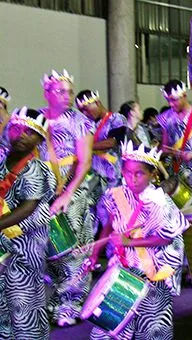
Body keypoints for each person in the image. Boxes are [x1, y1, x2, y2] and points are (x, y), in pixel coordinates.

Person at [86, 140, 189, 339]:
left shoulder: (159, 202)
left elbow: (164, 239)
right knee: (107, 330)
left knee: (152, 331)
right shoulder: (115, 195)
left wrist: (129, 242)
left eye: (139, 173)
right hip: (123, 271)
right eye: (127, 172)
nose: (132, 179)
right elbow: (109, 225)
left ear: (153, 174)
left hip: (153, 272)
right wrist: (94, 253)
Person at [39, 69, 96, 327]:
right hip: (41, 193)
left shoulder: (79, 121)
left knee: (72, 249)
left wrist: (69, 193)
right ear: (47, 93)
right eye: (61, 91)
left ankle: (71, 301)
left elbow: (84, 163)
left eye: (70, 91)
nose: (68, 96)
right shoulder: (36, 120)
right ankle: (53, 297)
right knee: (45, 249)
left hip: (71, 190)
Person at [0, 107, 55, 339]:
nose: (21, 134)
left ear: (40, 139)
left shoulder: (36, 168)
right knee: (4, 304)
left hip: (25, 246)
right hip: (5, 242)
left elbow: (28, 207)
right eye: (17, 128)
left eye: (29, 132)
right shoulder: (3, 160)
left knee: (23, 302)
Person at [155, 79, 192, 204]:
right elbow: (164, 148)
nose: (171, 104)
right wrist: (168, 152)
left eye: (174, 100)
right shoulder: (166, 118)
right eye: (168, 100)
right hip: (177, 176)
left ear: (184, 96)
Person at [75, 90, 127, 189]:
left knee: (119, 204)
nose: (85, 114)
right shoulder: (89, 125)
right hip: (94, 178)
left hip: (114, 178)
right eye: (82, 111)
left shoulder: (117, 119)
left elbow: (113, 142)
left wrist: (85, 147)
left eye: (86, 109)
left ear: (97, 103)